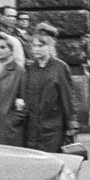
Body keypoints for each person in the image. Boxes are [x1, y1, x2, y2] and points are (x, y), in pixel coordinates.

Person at [20, 25, 79, 153]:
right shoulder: (29, 69)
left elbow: (68, 97)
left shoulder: (60, 67)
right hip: (32, 128)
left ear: (50, 47)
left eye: (41, 46)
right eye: (34, 46)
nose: (36, 49)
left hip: (52, 127)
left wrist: (71, 124)